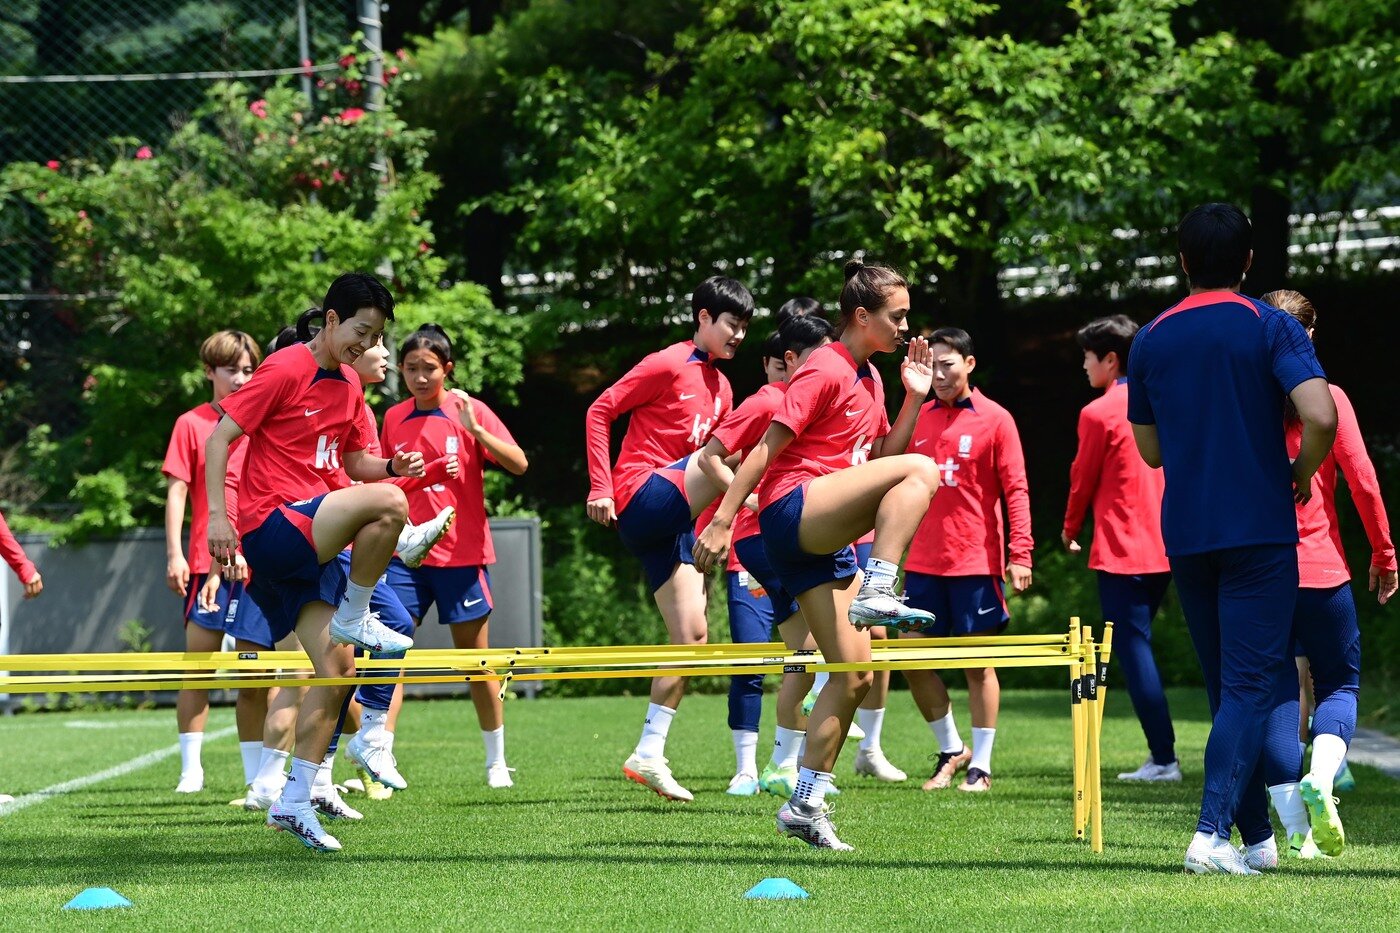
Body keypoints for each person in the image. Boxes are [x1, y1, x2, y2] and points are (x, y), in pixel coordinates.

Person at [695, 259, 939, 850]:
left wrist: (913, 399)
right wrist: (724, 518)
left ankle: (803, 805)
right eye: (897, 316)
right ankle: (881, 585)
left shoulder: (875, 379)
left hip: (822, 534)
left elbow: (881, 453)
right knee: (923, 470)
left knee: (854, 674)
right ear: (862, 316)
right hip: (790, 510)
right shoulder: (826, 366)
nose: (906, 328)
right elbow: (763, 449)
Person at [1127, 203, 1336, 875]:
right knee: (1250, 685)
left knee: (1229, 686)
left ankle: (1258, 841)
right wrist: (1298, 473)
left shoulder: (1152, 336)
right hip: (1258, 529)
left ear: (1182, 259)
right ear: (1249, 260)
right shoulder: (1269, 323)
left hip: (1188, 531)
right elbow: (1320, 412)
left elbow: (1151, 451)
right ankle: (1210, 833)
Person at [207, 272, 424, 852]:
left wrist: (394, 466)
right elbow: (218, 440)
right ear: (331, 320)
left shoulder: (350, 388)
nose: (366, 343)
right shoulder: (283, 368)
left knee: (338, 676)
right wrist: (216, 519)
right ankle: (358, 607)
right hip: (273, 528)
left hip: (314, 542)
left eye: (376, 334)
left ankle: (296, 799)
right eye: (360, 330)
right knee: (393, 508)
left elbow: (359, 464)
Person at [585, 276, 753, 801]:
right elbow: (599, 410)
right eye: (731, 323)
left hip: (673, 522)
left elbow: (717, 467)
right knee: (732, 458)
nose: (739, 335)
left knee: (693, 637)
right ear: (703, 317)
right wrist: (601, 486)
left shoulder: (724, 388)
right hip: (639, 496)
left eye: (746, 327)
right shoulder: (666, 363)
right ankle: (774, 510)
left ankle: (648, 752)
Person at [1261, 289, 1397, 860]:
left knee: (1273, 695)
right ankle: (1323, 774)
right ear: (1309, 338)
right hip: (1321, 569)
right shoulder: (1331, 398)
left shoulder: (1246, 401)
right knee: (1339, 684)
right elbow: (1364, 482)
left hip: (1257, 572)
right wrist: (1384, 555)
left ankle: (1295, 827)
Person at [371, 324, 528, 791]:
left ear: (448, 369)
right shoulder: (392, 417)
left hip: (462, 557)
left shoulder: (468, 410)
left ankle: (496, 761)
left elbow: (519, 463)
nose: (421, 377)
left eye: (430, 369)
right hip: (405, 558)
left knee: (475, 663)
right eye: (412, 368)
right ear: (400, 370)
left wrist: (477, 431)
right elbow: (381, 482)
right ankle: (380, 759)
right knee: (389, 653)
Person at [898, 327, 1032, 793]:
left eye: (947, 364)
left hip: (975, 561)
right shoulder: (916, 416)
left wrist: (1021, 554)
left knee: (977, 664)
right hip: (920, 561)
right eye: (930, 365)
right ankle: (952, 748)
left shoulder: (997, 419)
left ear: (969, 364)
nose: (937, 374)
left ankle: (982, 766)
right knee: (911, 657)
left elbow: (1016, 489)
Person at [1062, 315, 1179, 783]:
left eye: (1088, 358)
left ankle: (1165, 759)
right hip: (1172, 543)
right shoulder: (1165, 398)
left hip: (1122, 549)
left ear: (1110, 359)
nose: (1084, 368)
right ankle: (1165, 756)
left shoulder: (1098, 412)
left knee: (1133, 651)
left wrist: (1070, 528)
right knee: (1142, 647)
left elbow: (1081, 478)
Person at [161, 329, 263, 794]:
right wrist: (177, 553)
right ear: (209, 372)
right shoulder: (191, 423)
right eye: (231, 370)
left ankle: (255, 776)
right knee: (196, 667)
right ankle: (190, 770)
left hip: (256, 563)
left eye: (248, 369)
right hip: (207, 564)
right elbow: (178, 490)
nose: (241, 378)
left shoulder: (262, 421)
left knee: (254, 672)